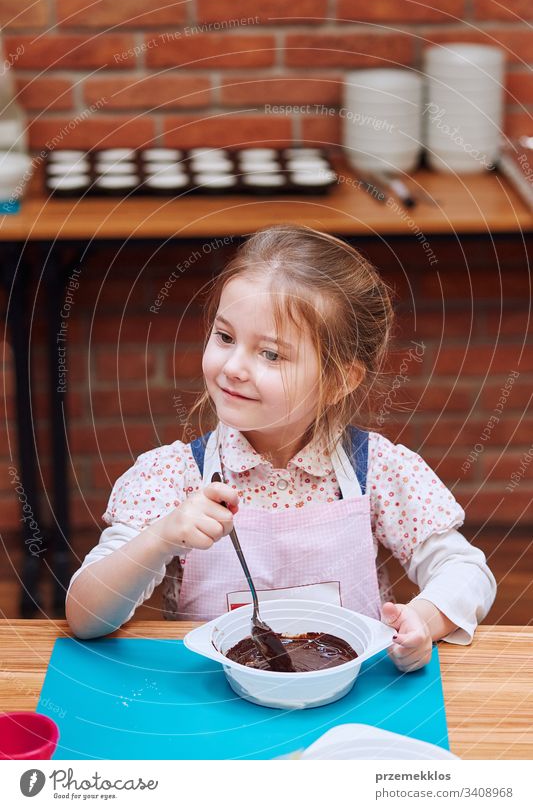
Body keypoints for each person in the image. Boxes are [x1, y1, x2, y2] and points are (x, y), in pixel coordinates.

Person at [66, 224, 496, 673]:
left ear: (339, 381)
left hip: (350, 705)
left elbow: (467, 572)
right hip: (216, 713)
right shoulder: (172, 477)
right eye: (225, 337)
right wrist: (159, 538)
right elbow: (85, 617)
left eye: (270, 354)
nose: (233, 367)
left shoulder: (378, 469)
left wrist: (422, 620)